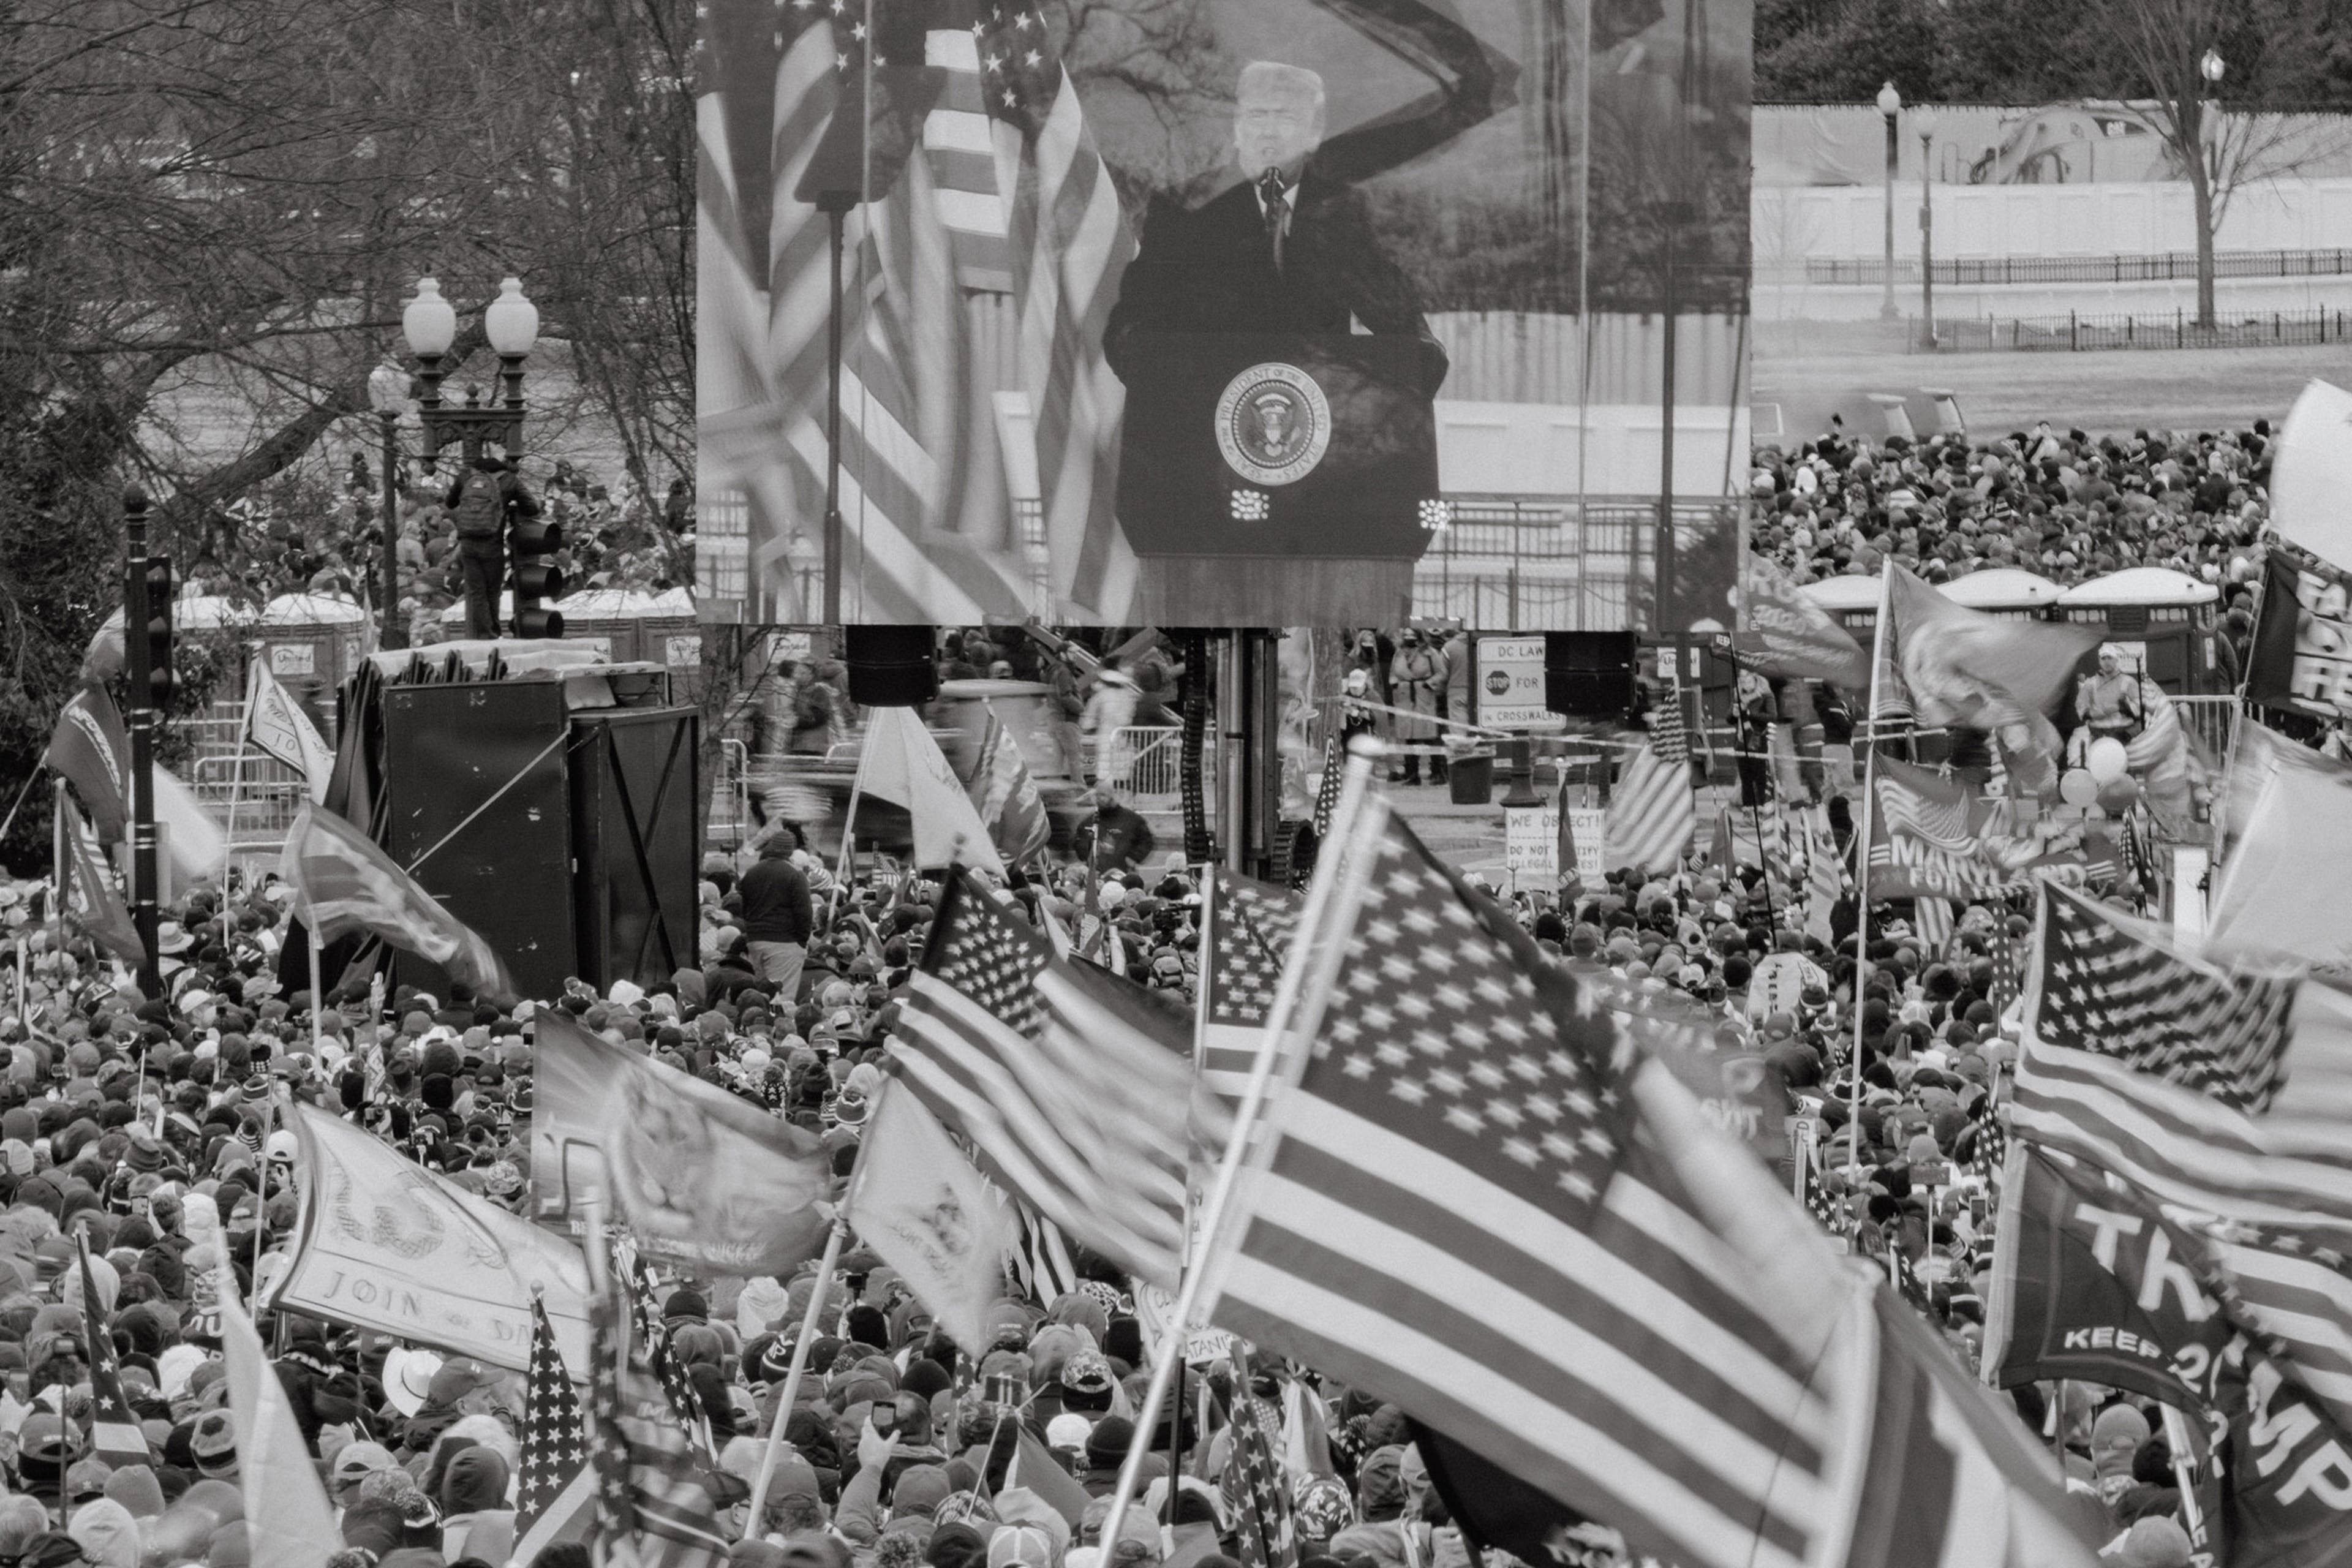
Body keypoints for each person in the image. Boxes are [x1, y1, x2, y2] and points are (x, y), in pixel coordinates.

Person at [1102, 62, 1447, 399]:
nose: (1268, 131)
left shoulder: (1338, 213)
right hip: (1205, 432)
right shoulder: (1186, 208)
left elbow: (1402, 325)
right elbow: (1130, 329)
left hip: (1311, 432)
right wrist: (1171, 382)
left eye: (1285, 117)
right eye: (1257, 116)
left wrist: (1417, 361)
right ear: (1238, 129)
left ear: (1313, 134)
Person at [443, 452, 537, 640]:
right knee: (493, 591)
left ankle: (488, 633)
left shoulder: (465, 477)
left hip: (468, 543)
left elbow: (450, 503)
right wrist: (510, 507)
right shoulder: (510, 481)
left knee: (476, 591)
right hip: (492, 544)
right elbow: (532, 508)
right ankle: (493, 631)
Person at [737, 829, 815, 1001]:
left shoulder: (751, 873)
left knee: (759, 996)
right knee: (780, 1000)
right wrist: (801, 942)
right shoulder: (796, 875)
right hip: (785, 944)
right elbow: (804, 913)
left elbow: (744, 908)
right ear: (790, 851)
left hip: (755, 942)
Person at [1389, 630, 1442, 785]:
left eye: (1412, 634)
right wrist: (1395, 684)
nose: (1409, 638)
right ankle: (1412, 774)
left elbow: (1441, 673)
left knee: (1429, 735)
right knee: (1409, 736)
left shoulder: (1430, 653)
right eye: (1406, 634)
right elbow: (1393, 672)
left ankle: (1437, 772)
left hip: (1423, 696)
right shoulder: (1399, 653)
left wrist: (1428, 684)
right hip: (1404, 697)